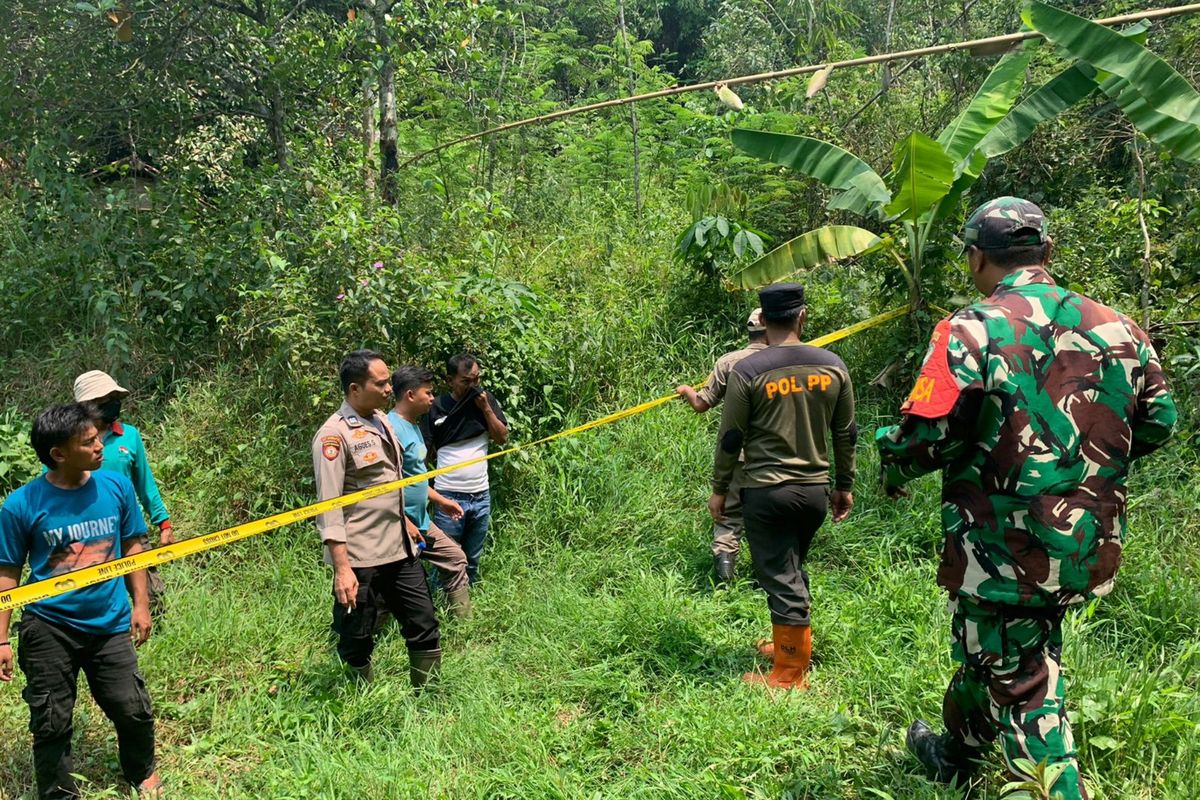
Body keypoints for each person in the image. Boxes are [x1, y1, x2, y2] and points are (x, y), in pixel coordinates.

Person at [876, 197, 1178, 799]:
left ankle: (1055, 787)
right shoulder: (1117, 325)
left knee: (1023, 680)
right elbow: (1158, 420)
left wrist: (891, 450)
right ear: (1047, 253)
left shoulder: (970, 328)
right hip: (1084, 534)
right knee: (998, 647)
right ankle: (954, 753)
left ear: (976, 256)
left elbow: (928, 434)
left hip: (1000, 544)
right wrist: (1081, 466)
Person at [0, 403, 163, 799]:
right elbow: (8, 572)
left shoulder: (116, 487)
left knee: (131, 707)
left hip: (109, 623)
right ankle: (58, 794)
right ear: (59, 454)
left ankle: (142, 773)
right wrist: (1, 639)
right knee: (51, 720)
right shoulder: (20, 505)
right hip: (48, 627)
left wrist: (139, 604)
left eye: (96, 438)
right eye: (88, 441)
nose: (98, 445)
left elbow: (134, 546)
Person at [711, 283, 856, 689]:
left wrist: (720, 487)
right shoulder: (832, 365)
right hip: (813, 491)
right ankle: (789, 645)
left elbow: (731, 437)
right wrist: (844, 484)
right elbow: (846, 433)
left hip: (766, 491)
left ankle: (790, 674)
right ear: (802, 316)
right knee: (791, 567)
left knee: (778, 573)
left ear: (763, 320)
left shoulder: (749, 370)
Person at [312, 350, 441, 687]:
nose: (388, 388)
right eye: (380, 383)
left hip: (400, 546)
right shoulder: (333, 435)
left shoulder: (382, 420)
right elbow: (329, 506)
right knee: (357, 635)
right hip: (360, 556)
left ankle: (430, 696)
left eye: (388, 381)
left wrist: (408, 523)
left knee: (423, 622)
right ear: (355, 389)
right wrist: (342, 569)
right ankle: (360, 700)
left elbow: (389, 483)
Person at [678, 309, 769, 586]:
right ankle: (767, 579)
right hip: (775, 455)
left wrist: (685, 391)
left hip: (738, 455)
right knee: (768, 514)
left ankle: (724, 582)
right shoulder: (785, 362)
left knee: (728, 516)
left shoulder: (729, 362)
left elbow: (701, 404)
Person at [72, 371, 174, 613]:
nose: (113, 405)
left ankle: (153, 632)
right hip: (86, 531)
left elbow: (145, 484)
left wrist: (164, 523)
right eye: (105, 401)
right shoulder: (69, 441)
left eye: (116, 398)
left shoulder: (129, 436)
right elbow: (53, 484)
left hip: (130, 529)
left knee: (150, 594)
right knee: (92, 596)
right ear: (86, 406)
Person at [387, 365, 472, 619]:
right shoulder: (390, 430)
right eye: (429, 393)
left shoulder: (414, 425)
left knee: (455, 558)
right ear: (410, 395)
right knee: (388, 586)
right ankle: (371, 639)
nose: (433, 398)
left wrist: (441, 500)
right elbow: (382, 488)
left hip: (422, 521)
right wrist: (403, 522)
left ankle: (465, 624)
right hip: (398, 526)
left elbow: (416, 478)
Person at [428, 353, 509, 585]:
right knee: (445, 557)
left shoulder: (485, 400)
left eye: (477, 379)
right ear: (450, 380)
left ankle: (467, 603)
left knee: (472, 557)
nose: (473, 386)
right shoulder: (437, 406)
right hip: (447, 495)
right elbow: (425, 450)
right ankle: (439, 602)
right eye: (466, 381)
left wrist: (485, 408)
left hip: (480, 496)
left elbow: (502, 437)